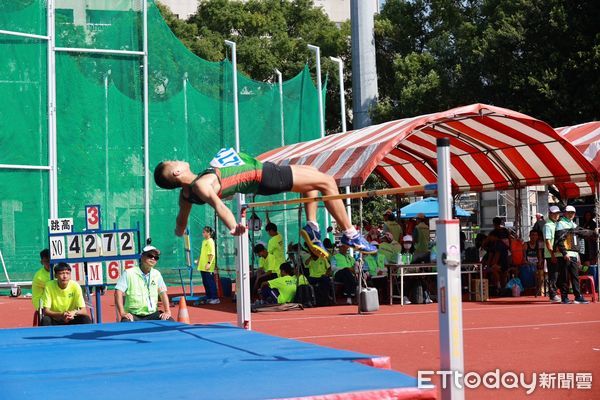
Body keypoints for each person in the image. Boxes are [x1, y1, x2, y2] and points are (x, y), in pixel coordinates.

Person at [153, 151, 376, 258]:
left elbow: (180, 222)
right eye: (174, 161)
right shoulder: (202, 184)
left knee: (314, 175)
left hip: (263, 176)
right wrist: (233, 226)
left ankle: (312, 227)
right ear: (177, 171)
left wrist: (179, 231)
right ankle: (350, 233)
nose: (178, 158)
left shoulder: (186, 194)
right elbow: (219, 206)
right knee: (327, 182)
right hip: (264, 176)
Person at [114, 245, 174, 321]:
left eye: (156, 258)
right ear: (142, 257)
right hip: (133, 315)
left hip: (153, 314)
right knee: (126, 323)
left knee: (170, 321)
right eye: (150, 256)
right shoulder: (129, 273)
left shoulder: (157, 274)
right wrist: (122, 313)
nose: (153, 259)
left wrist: (167, 311)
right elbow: (118, 292)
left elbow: (163, 293)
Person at [554, 205, 592, 304]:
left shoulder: (573, 224)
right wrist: (564, 253)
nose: (571, 214)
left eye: (573, 213)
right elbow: (559, 241)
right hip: (565, 255)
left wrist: (593, 232)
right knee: (564, 277)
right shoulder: (560, 224)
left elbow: (583, 232)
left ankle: (578, 296)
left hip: (574, 254)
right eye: (569, 212)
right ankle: (564, 297)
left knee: (575, 276)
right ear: (565, 213)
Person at [544, 206, 562, 303]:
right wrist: (552, 254)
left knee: (558, 274)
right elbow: (547, 241)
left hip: (558, 254)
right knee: (553, 275)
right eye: (554, 214)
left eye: (557, 213)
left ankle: (556, 292)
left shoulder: (557, 224)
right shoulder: (548, 225)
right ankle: (553, 295)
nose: (556, 215)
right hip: (551, 254)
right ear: (550, 214)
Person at [197, 226, 219, 304]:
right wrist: (199, 261)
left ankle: (215, 298)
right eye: (203, 232)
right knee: (205, 282)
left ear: (208, 233)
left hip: (208, 266)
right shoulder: (204, 241)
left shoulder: (210, 241)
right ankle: (209, 296)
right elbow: (202, 253)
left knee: (210, 282)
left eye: (204, 232)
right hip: (202, 266)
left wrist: (209, 263)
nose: (203, 233)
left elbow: (212, 254)